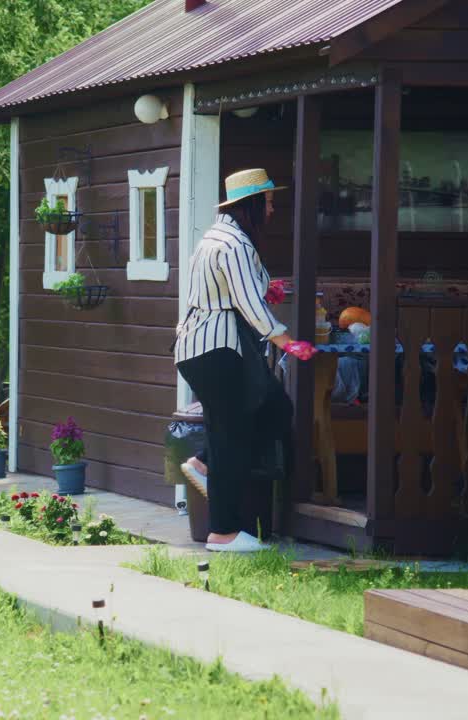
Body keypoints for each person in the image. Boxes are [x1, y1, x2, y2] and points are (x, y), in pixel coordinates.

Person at [174, 168, 314, 553]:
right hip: (218, 352)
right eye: (267, 202)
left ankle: (203, 464)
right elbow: (248, 304)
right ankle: (222, 532)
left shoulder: (216, 239)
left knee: (270, 411)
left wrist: (267, 289)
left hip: (201, 350)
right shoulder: (234, 245)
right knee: (233, 436)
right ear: (250, 204)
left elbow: (240, 292)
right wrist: (286, 341)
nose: (271, 210)